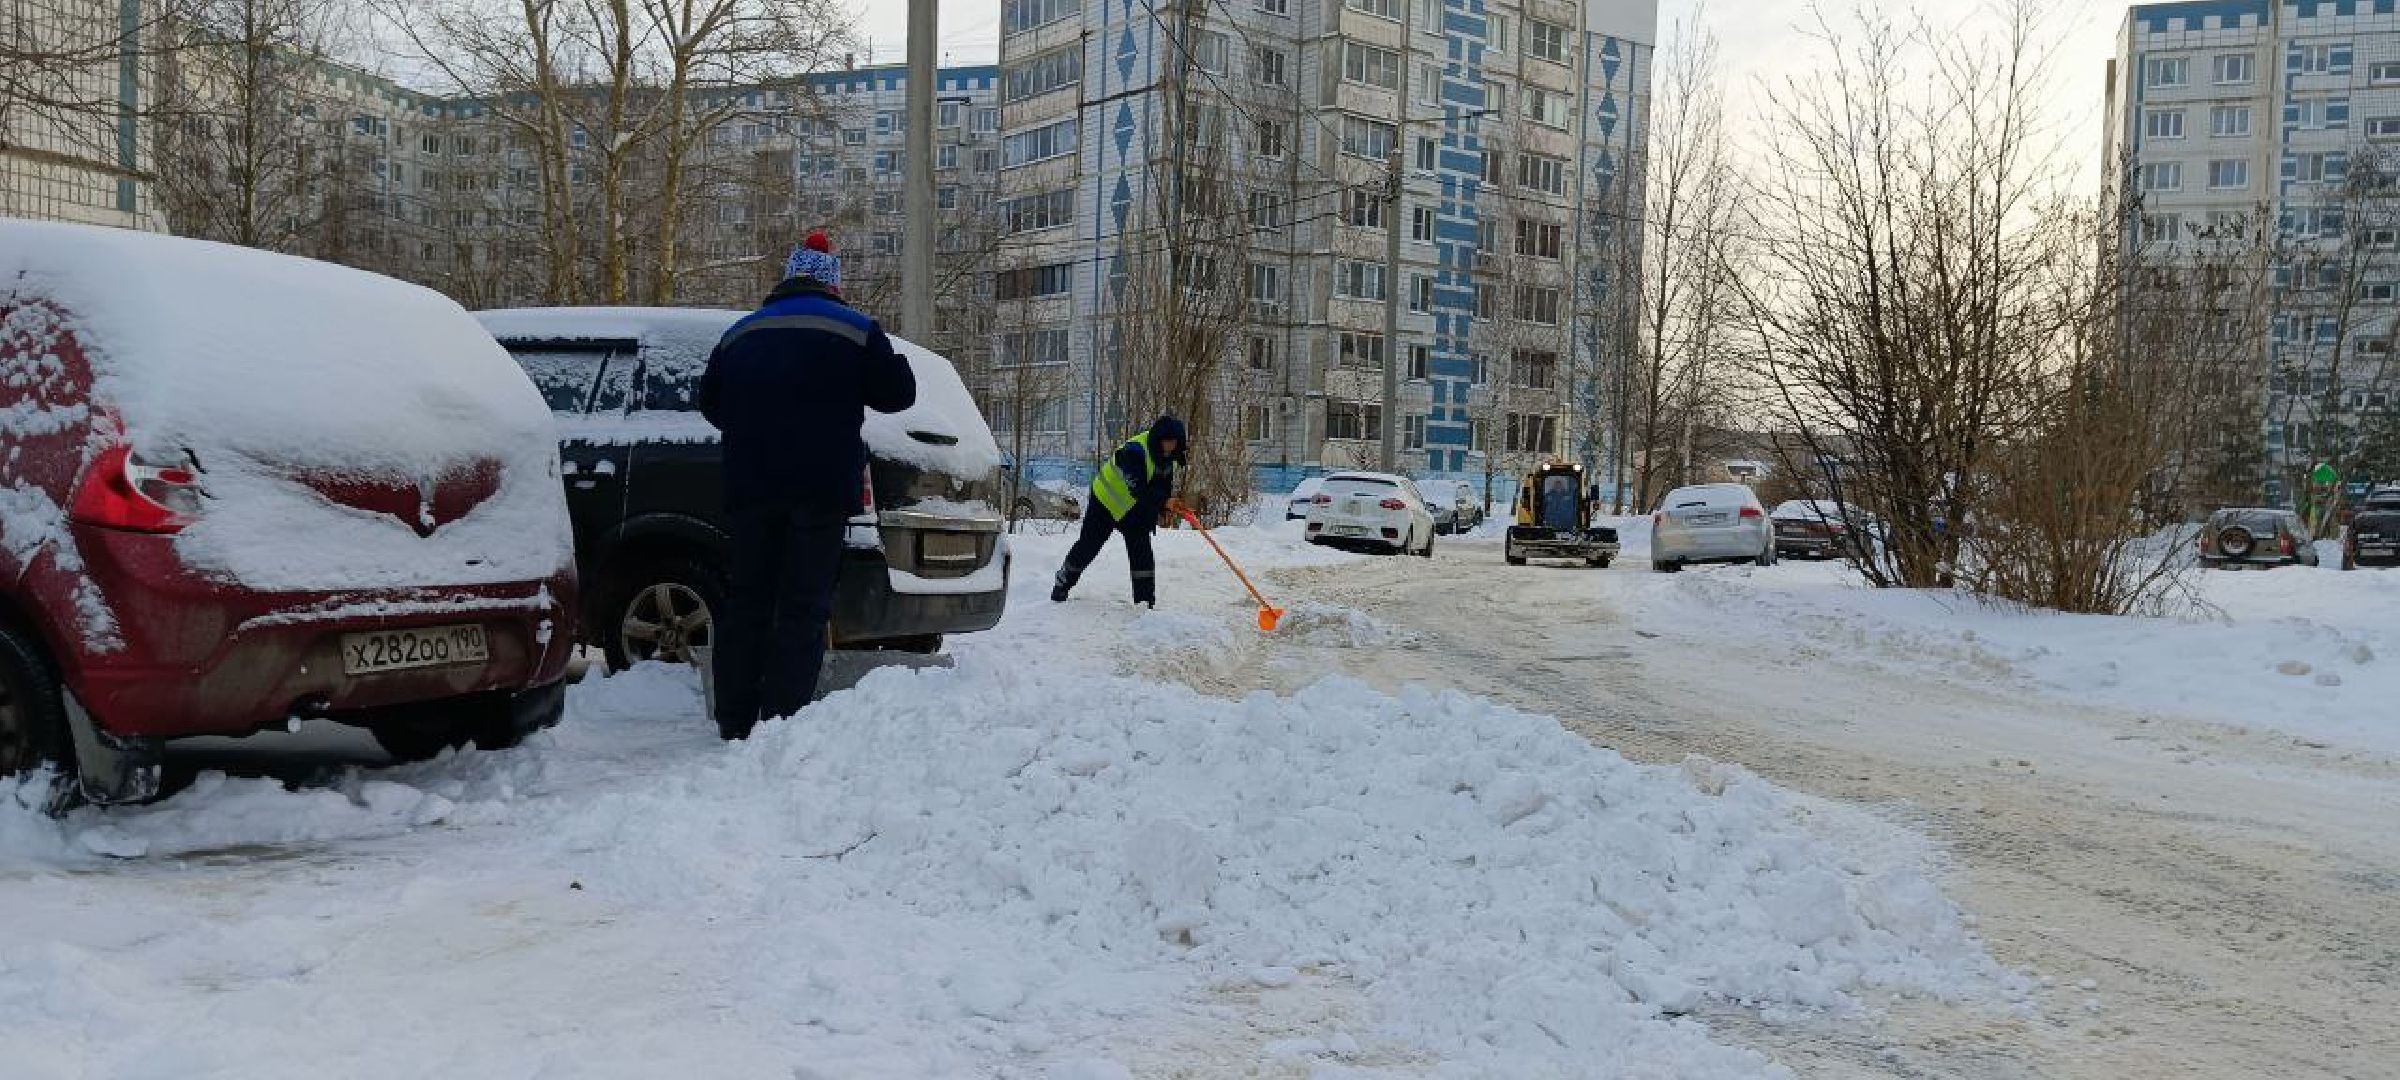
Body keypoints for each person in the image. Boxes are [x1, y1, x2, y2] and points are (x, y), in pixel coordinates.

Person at [699, 231, 916, 741]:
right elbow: (898, 394)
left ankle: (734, 720)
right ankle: (781, 723)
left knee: (748, 600)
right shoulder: (856, 330)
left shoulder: (739, 334)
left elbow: (711, 404)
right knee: (802, 604)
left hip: (750, 489)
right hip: (820, 490)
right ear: (833, 284)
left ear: (788, 278)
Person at [1052, 415, 1186, 607]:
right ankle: (1063, 582)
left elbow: (1161, 486)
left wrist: (1164, 507)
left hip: (1132, 509)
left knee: (1142, 552)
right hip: (1105, 502)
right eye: (1168, 442)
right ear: (1158, 439)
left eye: (1175, 442)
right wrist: (1164, 502)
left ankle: (1145, 603)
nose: (1171, 446)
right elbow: (1138, 488)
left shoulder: (1169, 457)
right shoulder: (1135, 451)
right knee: (1089, 546)